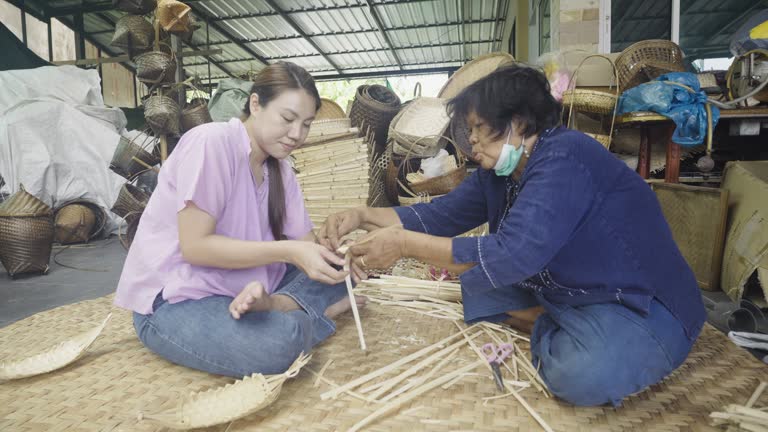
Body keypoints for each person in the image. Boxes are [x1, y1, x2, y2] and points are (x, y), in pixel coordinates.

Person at [318, 64, 706, 407]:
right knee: (475, 286)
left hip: (635, 301)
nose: (470, 141)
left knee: (579, 375)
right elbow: (437, 216)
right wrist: (361, 215)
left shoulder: (565, 157)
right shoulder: (499, 173)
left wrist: (402, 246)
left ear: (518, 123)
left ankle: (550, 324)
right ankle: (552, 320)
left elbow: (512, 255)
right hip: (564, 290)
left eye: (477, 129)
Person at [114, 62, 365, 378]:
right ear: (256, 104)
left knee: (342, 276)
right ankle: (309, 312)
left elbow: (304, 246)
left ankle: (277, 306)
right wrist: (288, 253)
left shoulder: (281, 168)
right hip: (177, 300)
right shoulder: (212, 143)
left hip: (247, 284)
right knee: (278, 343)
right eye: (287, 119)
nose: (297, 134)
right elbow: (196, 248)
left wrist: (336, 256)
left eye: (306, 124)